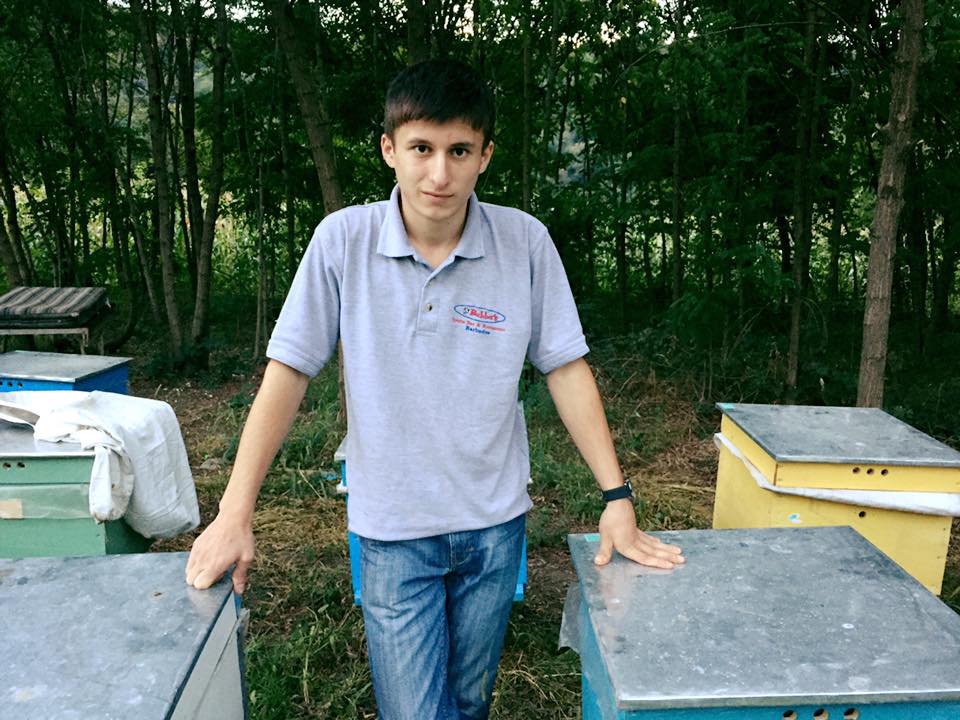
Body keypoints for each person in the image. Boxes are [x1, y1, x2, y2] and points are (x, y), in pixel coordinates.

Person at [186, 58, 684, 720]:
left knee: (469, 704)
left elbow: (565, 367)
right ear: (389, 149)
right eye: (421, 148)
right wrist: (234, 512)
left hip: (494, 527)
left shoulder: (525, 242)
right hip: (393, 532)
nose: (440, 174)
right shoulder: (343, 241)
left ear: (485, 155)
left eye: (459, 151)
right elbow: (290, 371)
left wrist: (617, 498)